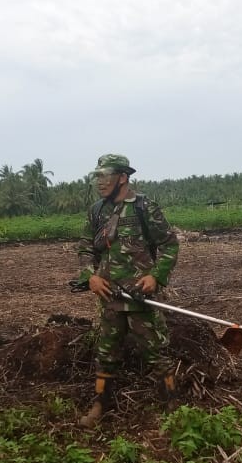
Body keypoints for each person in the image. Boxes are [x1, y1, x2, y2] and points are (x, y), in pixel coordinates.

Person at [73, 153, 180, 427]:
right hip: (109, 295)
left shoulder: (144, 207)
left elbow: (169, 244)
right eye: (96, 176)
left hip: (140, 297)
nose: (99, 182)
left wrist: (156, 276)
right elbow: (85, 248)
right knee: (106, 352)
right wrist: (90, 277)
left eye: (105, 175)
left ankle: (172, 407)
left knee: (156, 351)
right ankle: (99, 406)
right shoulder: (97, 211)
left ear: (123, 177)